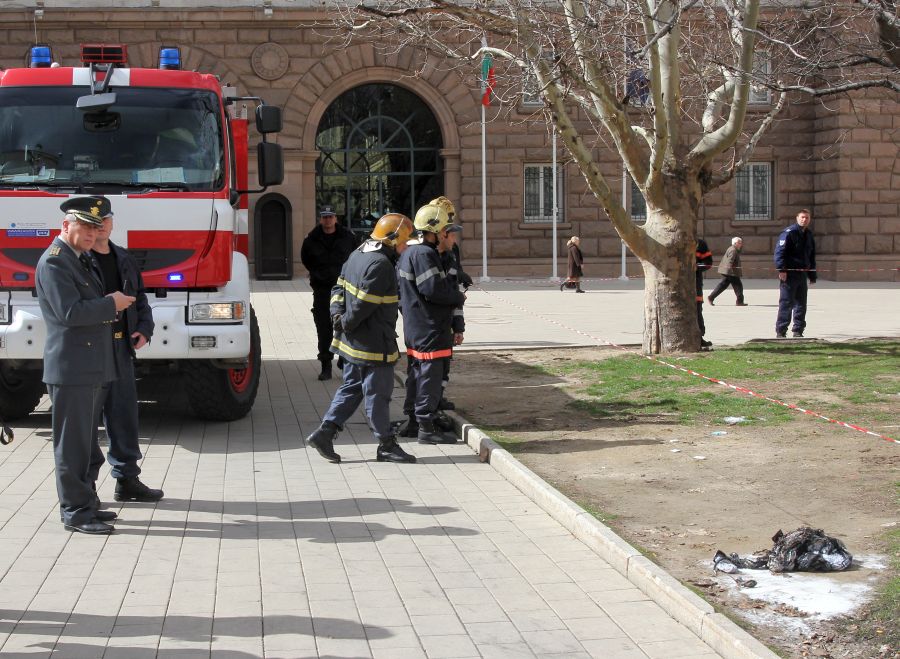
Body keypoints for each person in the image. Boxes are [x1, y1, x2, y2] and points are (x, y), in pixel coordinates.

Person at [35, 196, 135, 534]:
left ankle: (88, 503)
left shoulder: (79, 259)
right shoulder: (55, 263)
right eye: (86, 227)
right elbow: (70, 313)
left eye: (96, 228)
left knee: (87, 444)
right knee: (72, 447)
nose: (92, 234)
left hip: (90, 366)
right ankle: (75, 512)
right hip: (72, 368)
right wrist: (112, 304)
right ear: (66, 225)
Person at [305, 214, 417, 464]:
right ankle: (386, 444)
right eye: (405, 242)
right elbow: (363, 305)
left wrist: (337, 316)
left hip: (354, 341)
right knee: (378, 393)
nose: (406, 247)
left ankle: (325, 433)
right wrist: (345, 321)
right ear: (392, 239)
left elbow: (338, 288)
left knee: (352, 387)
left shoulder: (358, 254)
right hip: (374, 343)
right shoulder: (381, 265)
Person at [90, 208, 163, 503]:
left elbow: (141, 299)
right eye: (96, 223)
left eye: (106, 220)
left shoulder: (123, 258)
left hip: (120, 348)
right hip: (92, 351)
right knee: (87, 421)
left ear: (112, 222)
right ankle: (86, 488)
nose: (102, 227)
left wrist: (145, 329)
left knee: (124, 417)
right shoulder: (80, 262)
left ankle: (127, 479)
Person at [398, 201, 467, 445]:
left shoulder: (410, 253)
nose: (450, 235)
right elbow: (432, 289)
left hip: (417, 326)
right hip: (430, 327)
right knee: (430, 375)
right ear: (437, 232)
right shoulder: (425, 255)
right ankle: (426, 427)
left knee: (417, 373)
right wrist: (458, 296)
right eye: (448, 230)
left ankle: (415, 422)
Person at [300, 206, 358, 380]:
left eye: (330, 217)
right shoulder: (312, 239)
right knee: (324, 327)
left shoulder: (348, 237)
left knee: (346, 324)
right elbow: (306, 259)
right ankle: (326, 365)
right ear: (320, 219)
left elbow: (355, 257)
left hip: (344, 288)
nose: (327, 220)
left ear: (335, 218)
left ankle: (344, 360)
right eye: (324, 217)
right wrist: (317, 275)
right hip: (322, 289)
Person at [774, 209, 816, 338]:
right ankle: (781, 331)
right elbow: (780, 252)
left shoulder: (808, 234)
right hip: (790, 274)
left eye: (807, 218)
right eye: (802, 217)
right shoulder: (789, 233)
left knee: (801, 304)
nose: (804, 220)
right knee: (786, 302)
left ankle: (798, 330)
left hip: (802, 274)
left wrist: (812, 274)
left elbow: (811, 255)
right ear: (797, 218)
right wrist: (782, 269)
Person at [708, 237, 747, 306]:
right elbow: (730, 260)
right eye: (739, 243)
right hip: (730, 272)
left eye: (741, 242)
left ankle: (711, 297)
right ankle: (739, 301)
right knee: (738, 286)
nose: (741, 244)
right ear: (735, 243)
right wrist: (729, 269)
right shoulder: (733, 250)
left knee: (723, 285)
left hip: (728, 271)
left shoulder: (732, 248)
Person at [696, 238, 713, 349]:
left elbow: (708, 263)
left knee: (697, 310)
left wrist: (697, 267)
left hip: (695, 283)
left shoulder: (700, 243)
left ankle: (699, 337)